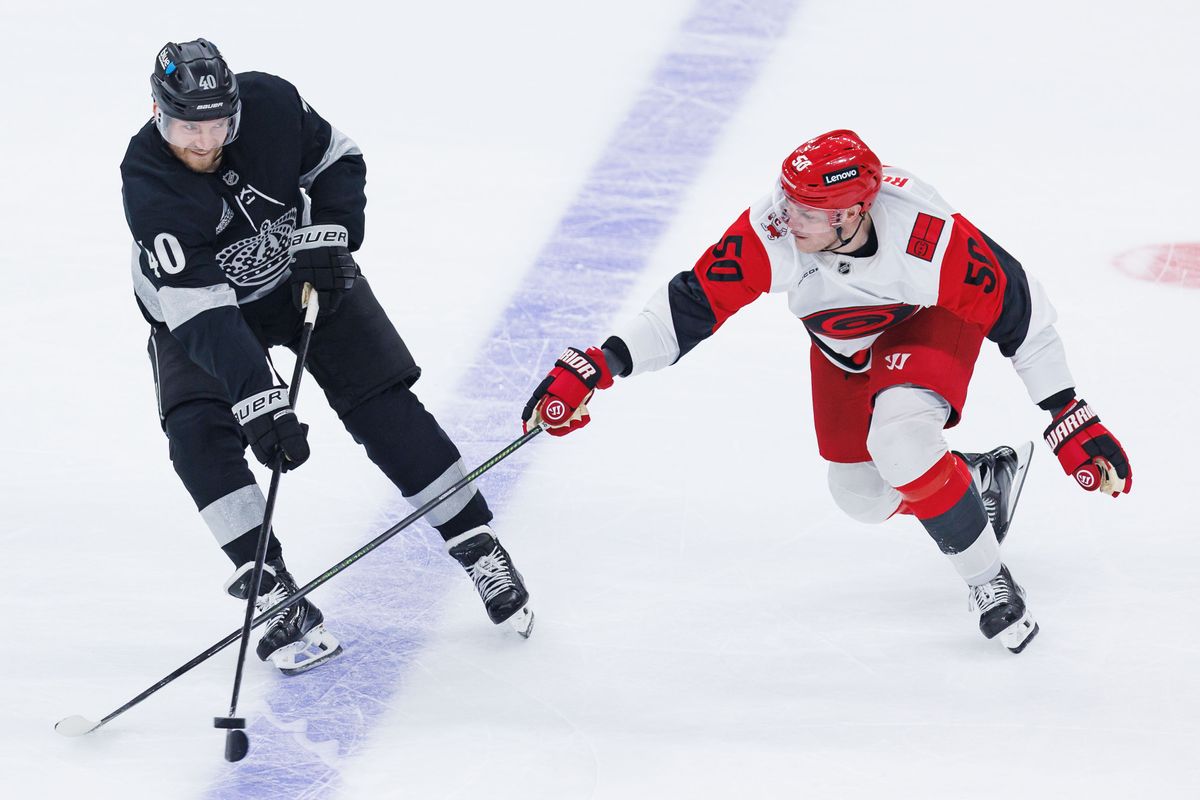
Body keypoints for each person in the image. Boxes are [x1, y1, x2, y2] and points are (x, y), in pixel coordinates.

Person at [522, 129, 1132, 654]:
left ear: (852, 213)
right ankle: (975, 483)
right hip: (841, 341)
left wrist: (1068, 413)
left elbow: (1022, 312)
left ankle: (990, 580)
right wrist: (603, 362)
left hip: (926, 320)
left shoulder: (929, 237)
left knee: (899, 441)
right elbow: (692, 304)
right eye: (788, 201)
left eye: (807, 211)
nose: (788, 219)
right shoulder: (775, 227)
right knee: (860, 495)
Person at [121, 39, 534, 675]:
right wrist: (261, 402)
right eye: (185, 127)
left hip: (302, 275)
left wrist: (332, 234)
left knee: (381, 403)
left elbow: (338, 159)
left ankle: (474, 539)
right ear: (157, 114)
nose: (203, 143)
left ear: (236, 109)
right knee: (198, 434)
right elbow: (203, 312)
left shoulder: (273, 102)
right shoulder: (149, 182)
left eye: (217, 125)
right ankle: (273, 592)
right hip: (199, 313)